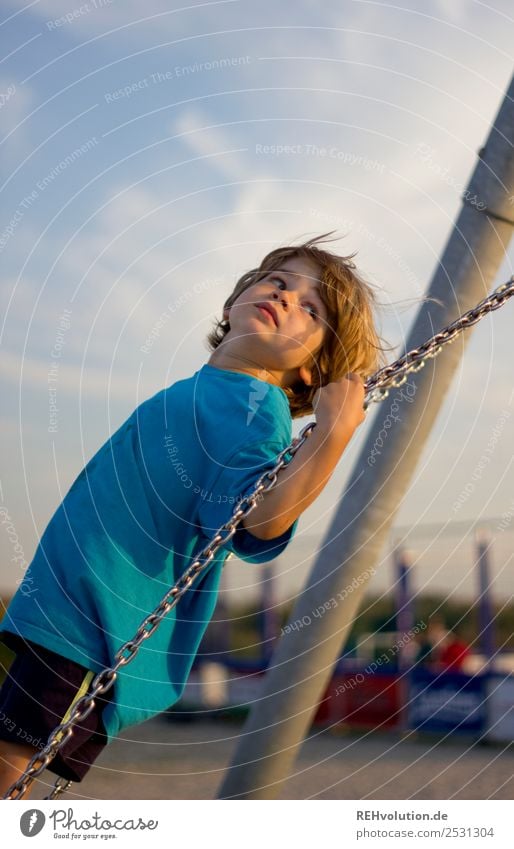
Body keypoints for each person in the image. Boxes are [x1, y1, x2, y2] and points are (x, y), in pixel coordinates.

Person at [0, 231, 383, 796]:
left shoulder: (255, 407)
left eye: (310, 308)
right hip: (68, 603)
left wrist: (331, 435)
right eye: (278, 281)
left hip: (100, 623)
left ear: (312, 370)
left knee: (10, 763)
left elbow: (258, 521)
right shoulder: (211, 389)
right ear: (233, 304)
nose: (284, 296)